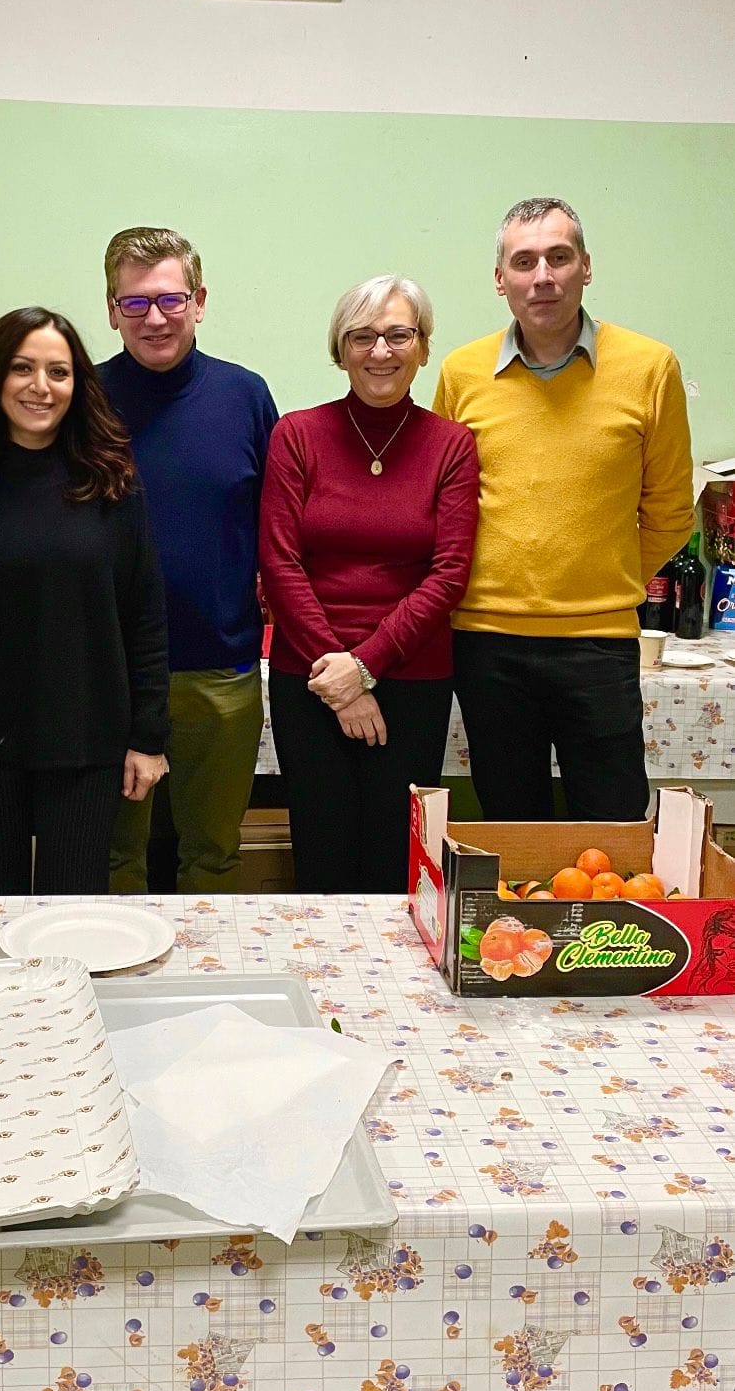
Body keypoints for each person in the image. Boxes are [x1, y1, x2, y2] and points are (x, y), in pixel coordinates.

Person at [433, 196, 694, 822]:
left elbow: (670, 509)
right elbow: (441, 504)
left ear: (586, 267)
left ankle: (608, 926)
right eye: (524, 261)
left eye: (559, 257)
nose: (542, 276)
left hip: (597, 642)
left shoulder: (649, 367)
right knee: (511, 823)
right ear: (501, 279)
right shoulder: (461, 372)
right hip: (487, 642)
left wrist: (602, 579)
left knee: (614, 823)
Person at [0, 307, 169, 895]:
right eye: (23, 368)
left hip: (85, 744)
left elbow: (143, 619)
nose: (40, 387)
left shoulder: (112, 485)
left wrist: (147, 738)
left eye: (59, 371)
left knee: (73, 919)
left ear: (78, 385)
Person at [260, 276, 478, 893]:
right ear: (340, 348)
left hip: (413, 680)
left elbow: (449, 573)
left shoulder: (452, 445)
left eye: (398, 335)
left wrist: (367, 666)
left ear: (423, 347)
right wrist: (343, 680)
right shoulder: (297, 435)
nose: (380, 351)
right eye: (363, 336)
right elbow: (280, 563)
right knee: (322, 858)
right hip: (310, 679)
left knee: (396, 865)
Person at [97, 227, 278, 893]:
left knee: (213, 857)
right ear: (112, 309)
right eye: (136, 302)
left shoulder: (246, 396)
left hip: (220, 671)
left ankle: (209, 987)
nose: (155, 318)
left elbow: (276, 524)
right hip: (110, 677)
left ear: (199, 301)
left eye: (170, 299)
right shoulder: (79, 401)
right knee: (116, 860)